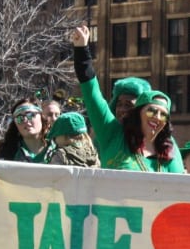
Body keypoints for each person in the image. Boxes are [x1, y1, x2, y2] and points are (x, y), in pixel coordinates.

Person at [71, 26, 183, 172]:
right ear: (139, 113)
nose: (157, 117)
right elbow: (92, 94)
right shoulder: (112, 134)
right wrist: (82, 50)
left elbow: (181, 188)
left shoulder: (168, 148)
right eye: (152, 111)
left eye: (163, 115)